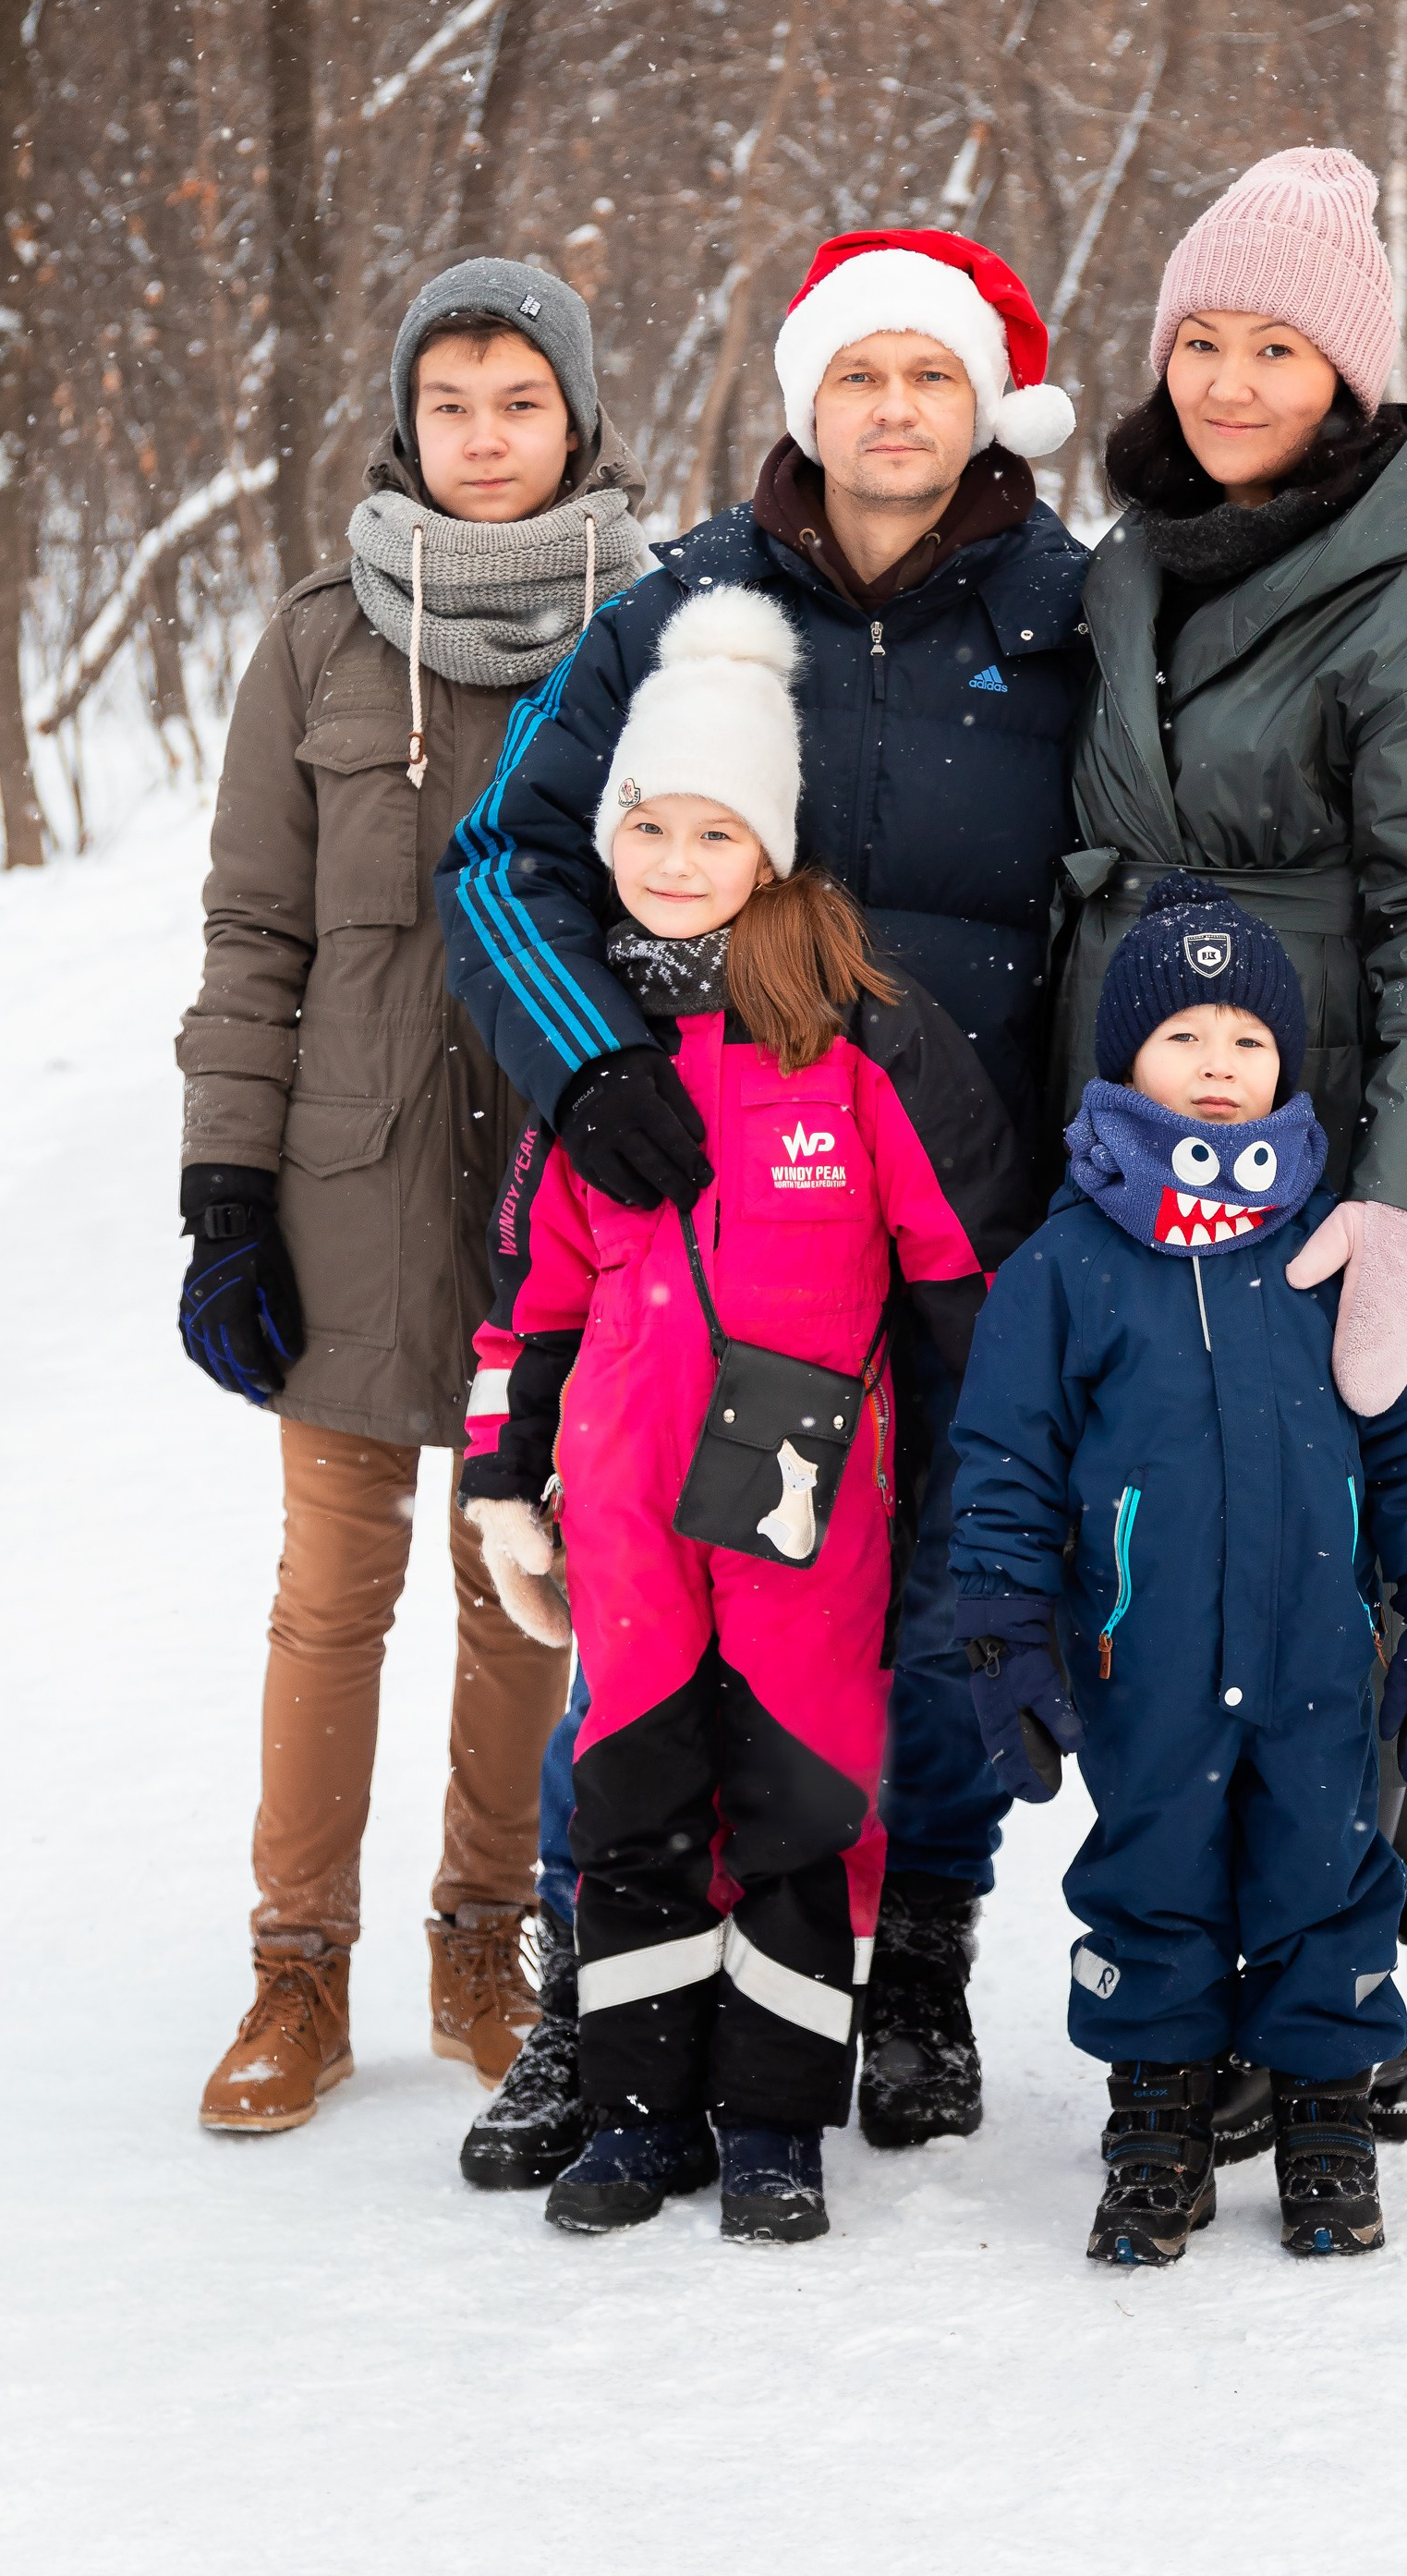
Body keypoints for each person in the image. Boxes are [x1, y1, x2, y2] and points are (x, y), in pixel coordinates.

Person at [436, 228, 1089, 2183]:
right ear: (805, 399)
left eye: (932, 376)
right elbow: (505, 859)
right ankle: (597, 1988)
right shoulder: (681, 604)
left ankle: (914, 1965)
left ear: (985, 405)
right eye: (857, 376)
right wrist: (592, 1063)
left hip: (973, 1200)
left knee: (940, 1586)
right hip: (714, 1209)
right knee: (656, 1594)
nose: (893, 412)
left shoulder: (1074, 609)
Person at [455, 588, 1025, 2242]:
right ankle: (638, 2118)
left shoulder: (855, 1044)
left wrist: (965, 1500)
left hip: (803, 1512)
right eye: (650, 825)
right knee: (632, 1798)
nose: (679, 857)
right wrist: (505, 1474)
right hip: (628, 1514)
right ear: (613, 836)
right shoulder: (592, 1063)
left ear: (769, 850)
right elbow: (529, 1301)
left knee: (798, 1803)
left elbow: (954, 1286)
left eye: (717, 830)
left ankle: (774, 2122)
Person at [1053, 148, 1407, 2154]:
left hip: (1309, 1145)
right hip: (1131, 1143)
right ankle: (1258, 1983)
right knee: (1174, 1569)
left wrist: (1398, 1196)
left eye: (1279, 349)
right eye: (1203, 342)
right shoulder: (1133, 558)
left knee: (1330, 1570)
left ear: (1351, 380)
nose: (1233, 382)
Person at [178, 256, 651, 2132]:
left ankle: (485, 1937)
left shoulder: (652, 625)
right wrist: (224, 1185)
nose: (481, 439)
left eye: (518, 404)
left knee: (517, 1583)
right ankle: (296, 1974)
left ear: (577, 422)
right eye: (449, 403)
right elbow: (255, 931)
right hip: (348, 1186)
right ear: (404, 418)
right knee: (332, 1596)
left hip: (562, 1198)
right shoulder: (314, 640)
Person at [952, 875, 1407, 2264]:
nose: (1217, 1066)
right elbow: (1005, 1461)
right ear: (1124, 1058)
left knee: (1331, 1865)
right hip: (1148, 1652)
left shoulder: (1346, 1253)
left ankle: (1325, 2110)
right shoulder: (1066, 1269)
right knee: (1154, 1873)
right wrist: (1007, 1626)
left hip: (1321, 1641)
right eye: (1183, 1036)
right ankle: (1158, 2118)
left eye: (1247, 1041)